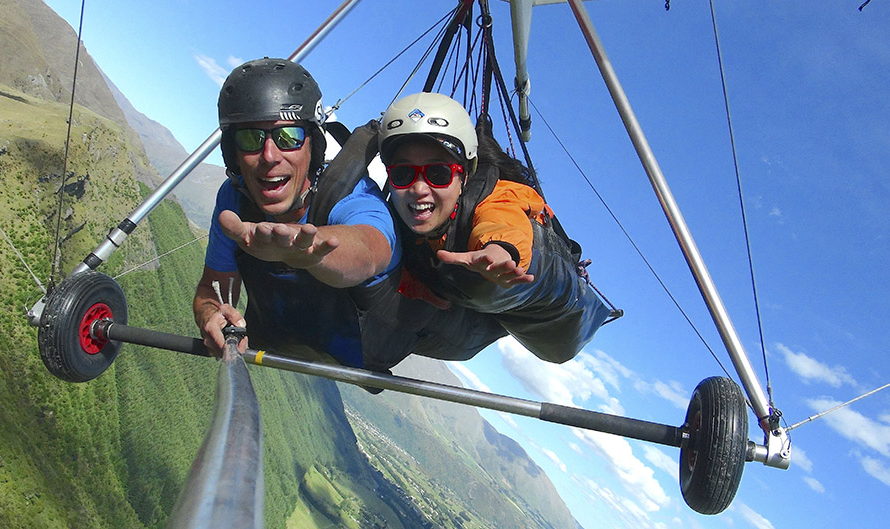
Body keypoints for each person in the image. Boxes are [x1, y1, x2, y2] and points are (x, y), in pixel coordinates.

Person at [193, 58, 504, 372]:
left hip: (418, 331)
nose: (270, 156)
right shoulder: (234, 200)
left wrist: (315, 255)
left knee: (475, 319)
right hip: (294, 338)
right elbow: (213, 287)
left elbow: (369, 249)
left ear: (312, 146)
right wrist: (211, 314)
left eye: (289, 137)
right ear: (232, 153)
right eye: (251, 139)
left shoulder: (352, 196)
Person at [379, 92, 613, 363]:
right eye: (403, 174)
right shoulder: (407, 219)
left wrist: (500, 252)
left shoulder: (498, 196)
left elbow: (501, 222)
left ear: (465, 176)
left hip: (541, 298)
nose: (419, 188)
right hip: (468, 307)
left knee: (481, 286)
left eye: (438, 174)